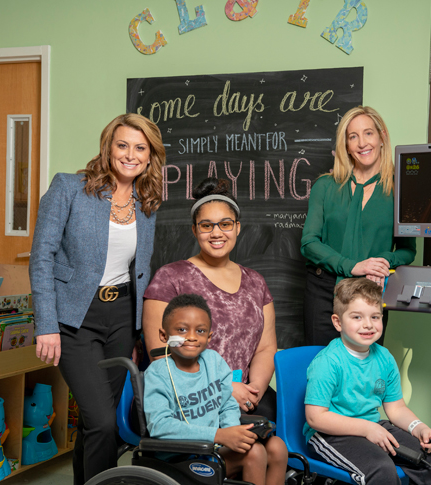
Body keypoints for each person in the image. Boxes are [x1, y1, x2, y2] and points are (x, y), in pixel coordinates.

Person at [29, 113, 165, 484]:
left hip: (122, 318)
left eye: (141, 148)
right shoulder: (69, 188)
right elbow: (42, 256)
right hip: (74, 318)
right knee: (103, 421)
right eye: (123, 145)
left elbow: (142, 268)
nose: (130, 155)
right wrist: (46, 324)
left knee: (98, 424)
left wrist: (140, 330)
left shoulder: (147, 201)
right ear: (108, 148)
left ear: (150, 156)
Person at [143, 177, 278, 420]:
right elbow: (160, 352)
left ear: (237, 227)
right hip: (191, 397)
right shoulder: (170, 278)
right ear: (195, 230)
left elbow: (266, 348)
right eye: (206, 226)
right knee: (251, 448)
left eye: (225, 224)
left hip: (246, 393)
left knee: (281, 440)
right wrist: (224, 388)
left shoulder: (256, 282)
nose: (216, 233)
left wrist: (253, 391)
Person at [304, 278, 431, 485]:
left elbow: (396, 409)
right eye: (357, 317)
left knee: (429, 459)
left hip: (373, 425)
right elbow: (316, 418)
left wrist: (418, 427)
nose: (368, 325)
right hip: (329, 434)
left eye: (375, 317)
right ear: (338, 322)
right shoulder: (327, 362)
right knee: (381, 469)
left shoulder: (384, 357)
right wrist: (367, 429)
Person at [301, 106, 417, 346]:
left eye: (368, 133)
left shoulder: (401, 189)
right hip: (324, 291)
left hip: (370, 291)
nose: (362, 143)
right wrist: (352, 265)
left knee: (365, 371)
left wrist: (381, 262)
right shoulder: (325, 186)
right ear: (345, 145)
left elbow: (408, 250)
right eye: (353, 137)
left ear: (382, 136)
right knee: (322, 368)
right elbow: (309, 243)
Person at [144, 293, 288, 485]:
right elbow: (159, 426)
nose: (192, 337)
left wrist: (233, 433)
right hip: (181, 457)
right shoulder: (158, 373)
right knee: (254, 452)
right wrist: (219, 435)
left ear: (209, 337)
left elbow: (227, 403)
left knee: (277, 446)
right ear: (164, 335)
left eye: (200, 331)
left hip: (214, 446)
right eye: (182, 329)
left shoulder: (213, 361)